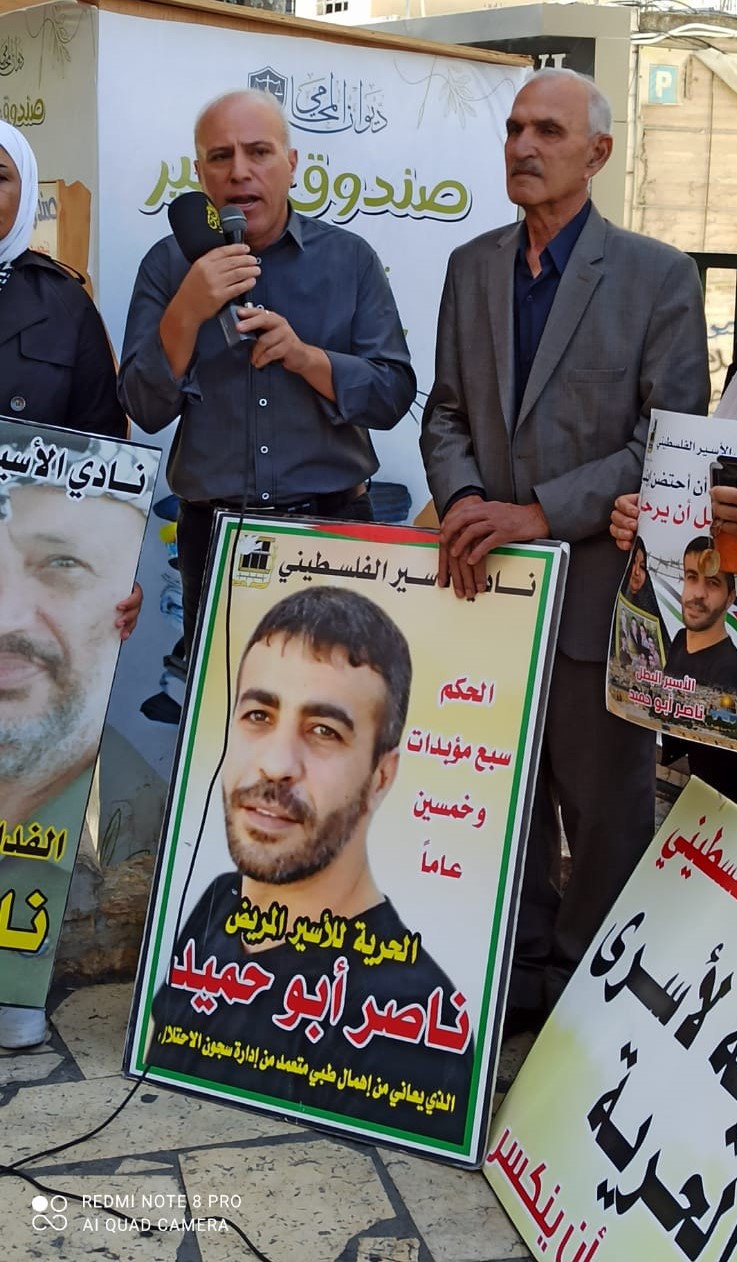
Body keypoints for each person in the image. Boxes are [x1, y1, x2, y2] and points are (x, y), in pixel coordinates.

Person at [420, 68, 710, 1031]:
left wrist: (536, 513)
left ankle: (587, 1001)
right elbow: (446, 411)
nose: (521, 146)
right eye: (513, 128)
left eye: (546, 130)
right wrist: (465, 500)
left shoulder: (657, 276)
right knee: (502, 801)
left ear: (598, 153)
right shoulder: (471, 267)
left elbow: (663, 441)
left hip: (599, 595)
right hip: (484, 594)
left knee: (604, 810)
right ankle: (512, 980)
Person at [149, 587, 473, 1144]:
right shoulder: (221, 900)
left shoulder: (415, 1020)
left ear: (381, 777)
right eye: (257, 715)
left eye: (325, 731)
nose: (276, 764)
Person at [118, 89, 416, 658]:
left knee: (337, 694)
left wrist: (307, 358)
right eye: (220, 156)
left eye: (258, 152)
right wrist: (186, 312)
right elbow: (144, 409)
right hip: (215, 538)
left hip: (333, 530)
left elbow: (392, 395)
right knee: (225, 702)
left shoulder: (349, 259)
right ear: (200, 172)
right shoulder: (167, 265)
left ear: (292, 164)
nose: (240, 171)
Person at [0, 121, 143, 1049]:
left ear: (25, 190)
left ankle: (12, 979)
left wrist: (109, 576)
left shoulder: (63, 305)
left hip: (31, 589)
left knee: (29, 770)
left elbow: (104, 454)